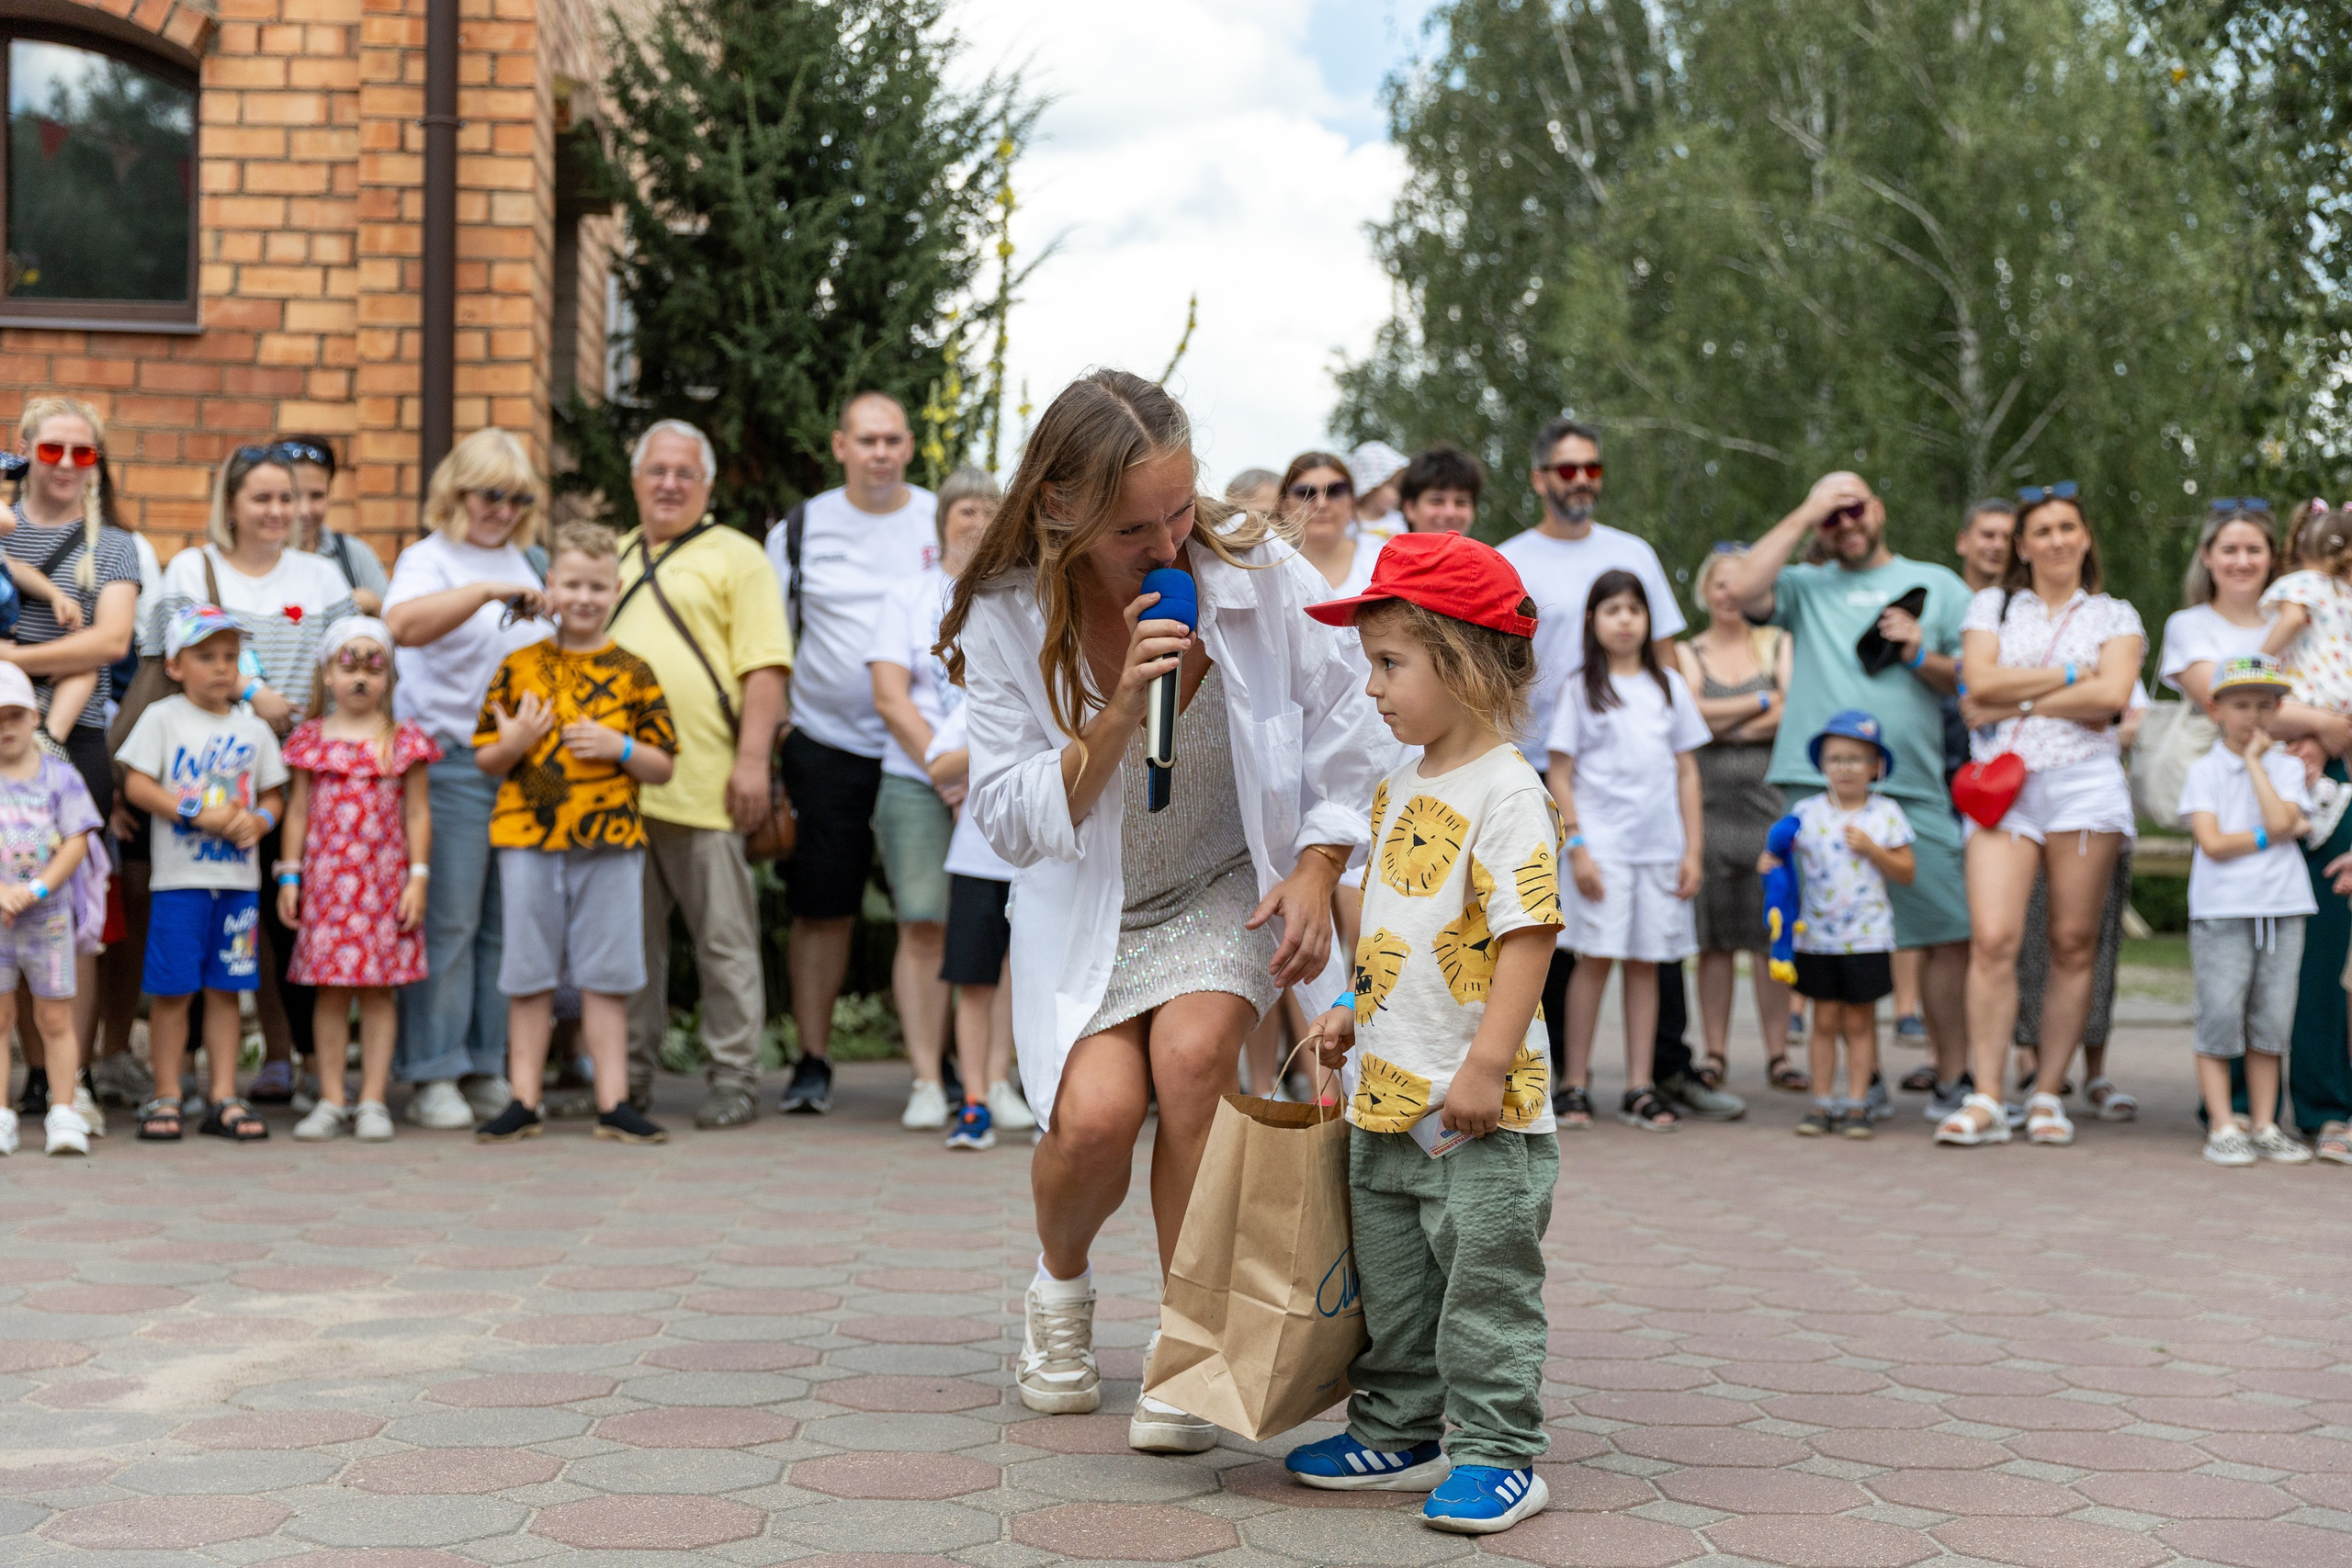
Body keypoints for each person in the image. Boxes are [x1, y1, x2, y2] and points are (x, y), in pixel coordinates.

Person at [943, 369, 1388, 1450]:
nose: (1170, 540)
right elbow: (1006, 814)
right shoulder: (1008, 612)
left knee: (1194, 1063)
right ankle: (1059, 1286)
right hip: (1089, 903)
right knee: (1093, 1121)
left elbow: (1349, 721)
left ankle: (1188, 1352)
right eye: (1136, 526)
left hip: (1221, 879)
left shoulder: (1253, 568)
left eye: (1180, 510)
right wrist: (1112, 718)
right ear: (1059, 507)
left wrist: (1320, 867)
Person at [1282, 531, 1557, 1535]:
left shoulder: (1509, 790)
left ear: (1465, 657)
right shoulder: (1398, 788)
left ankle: (1497, 1450)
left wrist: (1485, 1066)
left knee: (1482, 1283)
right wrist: (1352, 1013)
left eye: (1390, 663)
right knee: (1392, 1284)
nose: (1372, 690)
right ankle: (1401, 1429)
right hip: (1387, 1100)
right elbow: (1400, 928)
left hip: (1479, 1110)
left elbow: (1526, 937)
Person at [1499, 419, 1733, 1122]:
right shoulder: (1514, 558)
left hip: (1645, 794)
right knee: (1558, 938)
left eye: (1591, 469)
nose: (1580, 482)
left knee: (1651, 948)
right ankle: (1557, 1076)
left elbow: (1667, 653)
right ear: (1541, 477)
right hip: (1545, 766)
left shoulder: (1632, 552)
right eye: (1566, 470)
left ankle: (1658, 1073)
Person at [1719, 471, 1973, 1119]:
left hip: (1912, 785)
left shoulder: (1940, 584)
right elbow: (1742, 586)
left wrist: (1919, 654)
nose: (1846, 523)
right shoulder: (1803, 587)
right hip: (1814, 790)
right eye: (1833, 516)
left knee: (1949, 933)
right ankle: (1862, 1083)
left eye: (1853, 508)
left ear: (1879, 510)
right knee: (1830, 932)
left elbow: (1971, 679)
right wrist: (1807, 509)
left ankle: (1953, 1079)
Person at [1939, 483, 2143, 1148]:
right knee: (1994, 937)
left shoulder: (2116, 616)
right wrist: (2068, 675)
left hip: (2085, 788)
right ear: (2022, 546)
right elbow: (1979, 682)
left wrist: (2019, 699)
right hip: (2006, 787)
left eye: (2067, 527)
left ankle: (2050, 1091)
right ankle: (1987, 1093)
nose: (2056, 540)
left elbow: (2111, 697)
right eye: (2042, 531)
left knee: (2072, 940)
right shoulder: (1992, 605)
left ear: (2085, 537)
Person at [474, 523, 677, 1146]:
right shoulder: (519, 666)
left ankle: (613, 1102)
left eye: (597, 585)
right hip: (527, 839)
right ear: (550, 587)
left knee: (607, 973)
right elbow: (486, 757)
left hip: (610, 841)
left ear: (616, 589)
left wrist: (618, 746)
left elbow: (663, 763)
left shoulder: (633, 671)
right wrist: (512, 743)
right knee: (528, 969)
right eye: (572, 584)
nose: (585, 597)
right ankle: (524, 1099)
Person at [612, 423, 789, 1128]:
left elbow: (765, 665)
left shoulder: (738, 557)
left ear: (707, 485)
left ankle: (734, 1077)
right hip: (614, 788)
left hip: (707, 782)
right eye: (657, 470)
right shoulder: (613, 555)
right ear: (636, 480)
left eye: (685, 473)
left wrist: (753, 762)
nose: (669, 483)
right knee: (629, 944)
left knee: (723, 940)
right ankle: (626, 1077)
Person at [381, 429, 554, 1129]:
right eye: (491, 494)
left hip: (523, 764)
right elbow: (402, 626)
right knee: (448, 918)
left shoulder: (533, 559)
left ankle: (487, 1064)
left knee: (503, 924)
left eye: (518, 498)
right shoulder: (429, 558)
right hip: (449, 758)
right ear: (458, 491)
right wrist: (483, 589)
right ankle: (433, 1071)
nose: (503, 510)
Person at [762, 394, 922, 1116]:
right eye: (867, 440)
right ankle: (813, 1059)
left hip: (925, 749)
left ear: (910, 447)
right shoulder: (800, 529)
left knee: (933, 912)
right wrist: (775, 734)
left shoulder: (937, 519)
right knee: (822, 908)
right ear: (840, 446)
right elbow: (767, 641)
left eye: (892, 439)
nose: (880, 452)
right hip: (825, 742)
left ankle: (943, 1066)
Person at [7, 398, 141, 1133]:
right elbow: (83, 642)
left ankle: (70, 1072)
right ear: (24, 449)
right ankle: (22, 1073)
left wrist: (12, 663)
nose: (64, 465)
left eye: (81, 453)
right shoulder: (2, 532)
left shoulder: (113, 546)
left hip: (75, 741)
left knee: (67, 910)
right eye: (51, 449)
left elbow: (110, 644)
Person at [117, 605, 288, 1143]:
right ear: (173, 665)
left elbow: (273, 795)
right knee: (172, 991)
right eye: (206, 656)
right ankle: (166, 1092)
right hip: (179, 883)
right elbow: (137, 786)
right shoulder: (163, 719)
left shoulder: (253, 728)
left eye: (231, 658)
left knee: (226, 990)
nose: (220, 668)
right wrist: (192, 813)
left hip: (237, 887)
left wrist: (259, 823)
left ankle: (222, 1094)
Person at [1546, 572, 1706, 1132]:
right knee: (1593, 960)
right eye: (1611, 608)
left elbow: (1687, 772)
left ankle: (1640, 1085)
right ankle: (1574, 1083)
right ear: (1593, 620)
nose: (1624, 619)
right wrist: (1578, 846)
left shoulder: (1669, 687)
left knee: (1647, 963)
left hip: (1660, 850)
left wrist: (1694, 851)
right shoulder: (1579, 688)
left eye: (1635, 609)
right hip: (1602, 850)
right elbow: (1559, 772)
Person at [867, 467, 998, 1131]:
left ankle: (995, 1079)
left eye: (988, 510)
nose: (976, 521)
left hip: (994, 783)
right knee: (923, 922)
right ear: (943, 517)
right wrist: (943, 772)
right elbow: (891, 694)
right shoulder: (908, 596)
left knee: (999, 935)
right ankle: (925, 1077)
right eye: (965, 509)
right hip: (916, 777)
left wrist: (968, 773)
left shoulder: (1011, 593)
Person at [278, 617, 438, 1143]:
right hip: (327, 886)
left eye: (375, 664)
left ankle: (371, 1100)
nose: (361, 677)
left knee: (377, 993)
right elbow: (297, 812)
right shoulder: (309, 740)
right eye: (349, 664)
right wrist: (289, 875)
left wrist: (418, 877)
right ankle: (330, 1097)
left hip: (382, 885)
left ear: (390, 676)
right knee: (328, 992)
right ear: (327, 673)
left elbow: (417, 814)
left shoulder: (403, 741)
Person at [2179, 655, 2315, 1166]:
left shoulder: (2283, 766)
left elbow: (2287, 815)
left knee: (2271, 1022)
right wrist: (2271, 834)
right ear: (2216, 709)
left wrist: (2257, 764)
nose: (2253, 716)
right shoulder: (2205, 770)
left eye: (2264, 705)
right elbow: (2213, 842)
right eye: (2240, 705)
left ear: (2279, 709)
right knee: (2219, 1015)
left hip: (2283, 908)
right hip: (2223, 910)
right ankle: (2221, 1123)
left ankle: (2263, 1123)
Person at [1677, 546, 1797, 1092]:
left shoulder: (1778, 643)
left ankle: (1778, 1054)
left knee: (1770, 935)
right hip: (1708, 814)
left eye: (1738, 585)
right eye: (1720, 584)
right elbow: (1689, 717)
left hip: (1769, 812)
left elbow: (1791, 711)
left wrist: (1721, 722)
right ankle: (1716, 1053)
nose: (1729, 595)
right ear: (1705, 592)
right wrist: (1756, 705)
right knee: (1715, 942)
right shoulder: (1686, 652)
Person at [1761, 713, 1914, 1137]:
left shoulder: (1886, 814)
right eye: (1835, 758)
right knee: (1823, 1020)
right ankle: (1821, 1102)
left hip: (1867, 937)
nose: (1844, 767)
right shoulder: (1806, 812)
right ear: (1822, 765)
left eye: (1855, 758)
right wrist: (1769, 866)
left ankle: (1858, 1103)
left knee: (1860, 1023)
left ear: (1875, 767)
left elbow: (1906, 872)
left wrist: (1874, 850)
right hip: (1817, 939)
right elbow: (1778, 855)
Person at [0, 663, 101, 1156]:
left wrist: (35, 890)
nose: (6, 727)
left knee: (55, 1018)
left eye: (14, 714)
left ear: (35, 715)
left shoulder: (60, 776)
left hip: (49, 919)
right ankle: (1, 1115)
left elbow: (77, 842)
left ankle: (64, 1110)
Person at [926, 700, 1033, 1149]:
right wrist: (989, 736)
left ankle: (1009, 1086)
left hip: (1037, 863)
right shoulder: (977, 703)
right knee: (974, 981)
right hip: (976, 863)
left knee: (1028, 981)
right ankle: (975, 1101)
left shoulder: (1054, 690)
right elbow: (938, 768)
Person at [278, 435, 389, 614]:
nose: (305, 510)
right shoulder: (255, 559)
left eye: (317, 496)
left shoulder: (354, 554)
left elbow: (394, 629)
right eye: (293, 495)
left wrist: (374, 606)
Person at [1282, 451, 1381, 594]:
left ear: (1352, 502)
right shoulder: (1268, 567)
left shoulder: (1383, 559)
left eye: (1335, 491)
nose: (1321, 504)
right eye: (1305, 492)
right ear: (1284, 506)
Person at [1396, 445, 1482, 536]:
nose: (1450, 513)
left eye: (1461, 502)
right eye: (1437, 501)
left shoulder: (1487, 550)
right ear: (1410, 508)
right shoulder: (1384, 548)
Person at [1347, 440, 1409, 538]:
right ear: (1371, 487)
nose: (1398, 492)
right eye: (1392, 485)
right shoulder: (1348, 522)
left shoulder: (1399, 521)